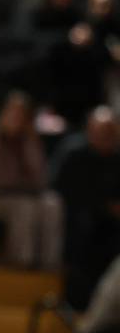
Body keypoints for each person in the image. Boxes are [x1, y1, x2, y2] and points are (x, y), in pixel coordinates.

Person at [0, 91, 62, 269]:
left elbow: (40, 177)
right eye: (12, 113)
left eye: (21, 115)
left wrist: (28, 143)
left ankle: (49, 265)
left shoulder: (29, 140)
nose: (16, 119)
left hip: (25, 194)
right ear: (3, 114)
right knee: (24, 208)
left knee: (52, 203)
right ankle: (20, 264)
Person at [52, 106, 120, 310]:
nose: (103, 137)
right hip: (76, 218)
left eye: (109, 132)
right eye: (99, 131)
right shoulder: (73, 153)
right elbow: (61, 188)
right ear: (89, 130)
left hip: (111, 224)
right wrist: (104, 205)